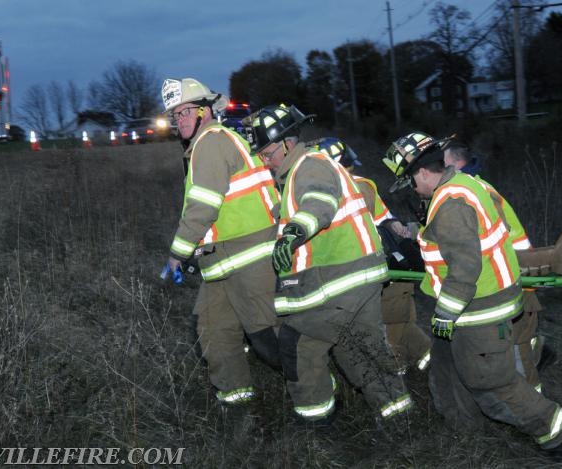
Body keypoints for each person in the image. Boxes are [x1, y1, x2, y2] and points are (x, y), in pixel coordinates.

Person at [383, 132, 562, 460]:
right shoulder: (462, 186)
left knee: (490, 382)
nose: (412, 191)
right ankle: (465, 434)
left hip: (478, 311)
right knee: (446, 373)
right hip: (462, 309)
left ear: (421, 173)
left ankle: (556, 428)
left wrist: (445, 313)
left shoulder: (451, 202)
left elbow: (464, 267)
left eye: (409, 183)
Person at [250, 104, 412, 424]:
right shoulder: (308, 168)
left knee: (299, 346)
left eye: (267, 153)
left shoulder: (309, 166)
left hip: (336, 282)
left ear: (287, 143)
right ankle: (400, 419)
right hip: (357, 278)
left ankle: (316, 428)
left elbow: (320, 202)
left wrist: (294, 232)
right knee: (358, 351)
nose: (265, 161)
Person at [160, 78, 282, 406]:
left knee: (269, 339)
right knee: (213, 331)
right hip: (220, 262)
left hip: (249, 258)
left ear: (206, 111)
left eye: (185, 111)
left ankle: (319, 390)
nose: (179, 119)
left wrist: (177, 254)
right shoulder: (203, 144)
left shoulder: (211, 142)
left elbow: (202, 207)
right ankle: (238, 404)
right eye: (175, 115)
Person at [443, 139, 562, 389]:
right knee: (519, 346)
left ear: (457, 164)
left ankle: (537, 412)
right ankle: (538, 357)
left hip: (514, 280)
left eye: (443, 164)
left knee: (517, 354)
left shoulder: (472, 191)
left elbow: (487, 240)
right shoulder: (472, 188)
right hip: (512, 279)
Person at [315, 137, 431, 374]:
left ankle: (399, 375)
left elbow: (382, 221)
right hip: (387, 270)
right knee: (400, 323)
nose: (351, 171)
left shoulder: (332, 190)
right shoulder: (363, 185)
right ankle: (429, 366)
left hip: (374, 272)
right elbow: (386, 220)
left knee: (389, 327)